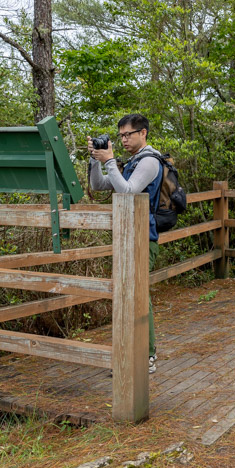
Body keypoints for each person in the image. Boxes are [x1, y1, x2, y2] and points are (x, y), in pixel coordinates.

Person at [87, 113, 162, 374]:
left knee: (139, 296)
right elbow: (98, 185)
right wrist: (96, 159)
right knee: (125, 295)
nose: (124, 139)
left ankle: (148, 355)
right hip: (125, 237)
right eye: (120, 136)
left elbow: (128, 192)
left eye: (128, 134)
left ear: (143, 133)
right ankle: (128, 356)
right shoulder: (131, 162)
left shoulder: (150, 162)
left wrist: (110, 162)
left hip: (144, 239)